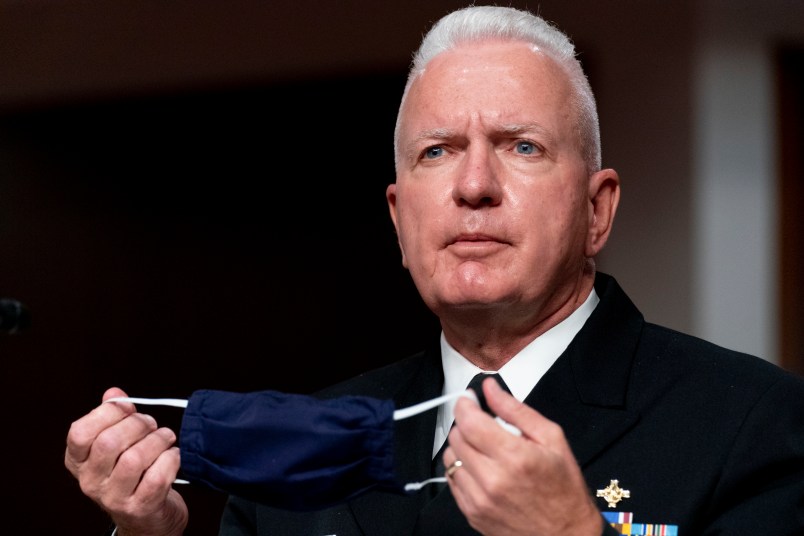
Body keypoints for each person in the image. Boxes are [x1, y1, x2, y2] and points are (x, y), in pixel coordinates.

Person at [65, 4, 804, 535]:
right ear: (399, 217)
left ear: (597, 210)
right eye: (437, 151)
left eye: (521, 147)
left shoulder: (753, 424)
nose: (473, 184)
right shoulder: (307, 441)